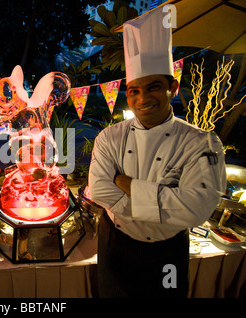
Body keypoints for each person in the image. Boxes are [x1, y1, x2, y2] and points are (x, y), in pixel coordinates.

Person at [88, 8, 226, 298]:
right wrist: (166, 202)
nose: (142, 98)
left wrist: (126, 184)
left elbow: (198, 208)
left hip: (168, 251)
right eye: (134, 90)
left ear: (172, 88)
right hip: (116, 243)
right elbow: (100, 190)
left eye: (153, 87)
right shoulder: (109, 137)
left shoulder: (201, 142)